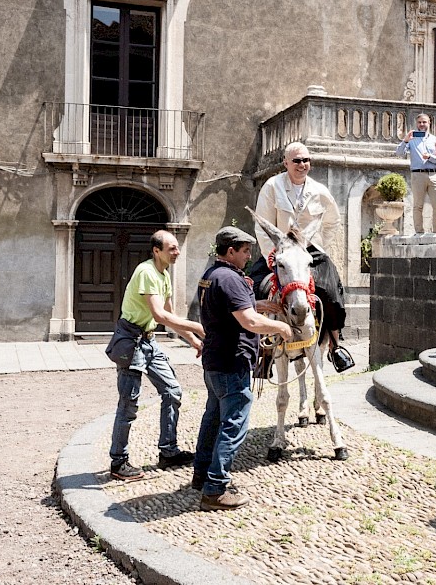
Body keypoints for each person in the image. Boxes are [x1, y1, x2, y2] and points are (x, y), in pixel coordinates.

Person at [194, 227, 292, 511]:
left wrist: (259, 304)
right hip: (232, 361)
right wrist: (280, 326)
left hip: (214, 360)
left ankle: (201, 474)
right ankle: (214, 490)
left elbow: (230, 309)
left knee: (212, 418)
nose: (250, 256)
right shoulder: (231, 279)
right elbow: (248, 322)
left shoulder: (211, 276)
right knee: (233, 424)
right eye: (245, 250)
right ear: (230, 250)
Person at [108, 230, 205, 482]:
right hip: (131, 342)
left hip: (149, 341)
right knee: (128, 405)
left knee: (172, 392)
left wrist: (194, 341)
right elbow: (160, 315)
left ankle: (168, 451)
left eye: (177, 248)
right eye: (172, 248)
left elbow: (170, 317)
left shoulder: (164, 275)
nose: (177, 252)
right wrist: (197, 327)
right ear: (157, 251)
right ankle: (118, 462)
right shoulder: (146, 272)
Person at [253, 142, 347, 352]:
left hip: (309, 250)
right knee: (256, 287)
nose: (302, 164)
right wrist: (272, 255)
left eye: (306, 160)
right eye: (296, 160)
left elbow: (333, 221)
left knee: (332, 292)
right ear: (286, 162)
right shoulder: (272, 186)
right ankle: (263, 351)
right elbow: (262, 225)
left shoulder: (319, 190)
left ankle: (335, 345)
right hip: (280, 251)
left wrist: (320, 244)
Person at [397, 113, 436, 233]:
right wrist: (405, 141)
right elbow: (399, 153)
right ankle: (419, 232)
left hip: (433, 174)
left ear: (429, 123)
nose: (422, 124)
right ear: (416, 124)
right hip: (417, 175)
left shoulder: (435, 140)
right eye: (419, 122)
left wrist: (430, 157)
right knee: (418, 205)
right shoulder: (411, 140)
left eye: (424, 122)